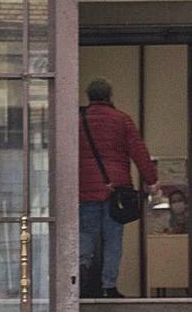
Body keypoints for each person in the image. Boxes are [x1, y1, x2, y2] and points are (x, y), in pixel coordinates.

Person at [79, 78, 158, 298]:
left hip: (84, 189)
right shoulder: (122, 120)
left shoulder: (78, 121)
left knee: (86, 234)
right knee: (113, 238)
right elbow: (138, 152)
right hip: (116, 191)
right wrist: (152, 179)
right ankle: (108, 285)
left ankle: (82, 274)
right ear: (109, 96)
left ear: (89, 97)